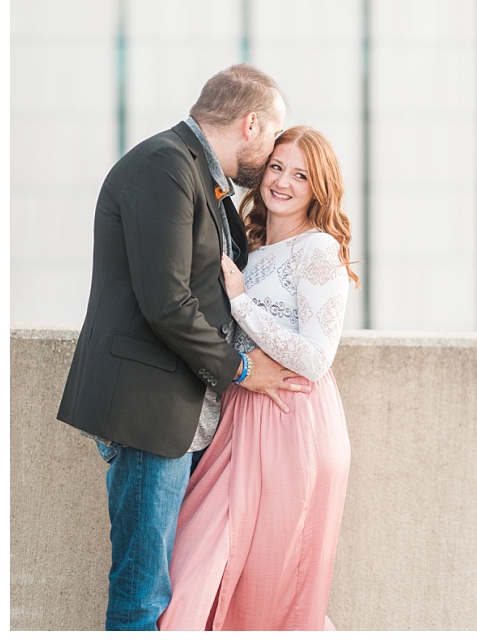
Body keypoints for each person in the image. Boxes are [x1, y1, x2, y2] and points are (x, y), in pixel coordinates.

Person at [57, 64, 309, 631]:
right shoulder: (164, 166)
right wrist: (243, 369)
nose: (270, 156)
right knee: (142, 595)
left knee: (177, 593)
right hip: (150, 416)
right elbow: (167, 302)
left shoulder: (203, 178)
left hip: (185, 416)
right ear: (250, 124)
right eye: (272, 137)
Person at [158, 126, 359, 631]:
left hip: (292, 422)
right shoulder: (249, 245)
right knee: (192, 568)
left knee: (268, 589)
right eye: (276, 167)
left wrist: (243, 302)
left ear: (320, 188)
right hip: (238, 415)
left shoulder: (318, 250)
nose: (283, 182)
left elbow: (315, 359)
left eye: (301, 175)